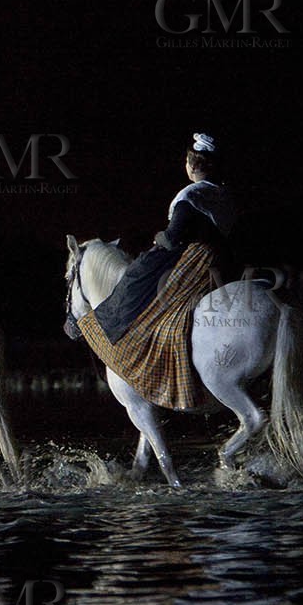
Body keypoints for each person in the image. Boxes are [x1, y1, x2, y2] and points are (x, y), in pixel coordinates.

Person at [77, 133, 236, 409]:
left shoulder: (191, 195)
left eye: (186, 161)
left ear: (192, 165)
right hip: (222, 260)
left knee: (137, 281)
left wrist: (158, 238)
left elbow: (173, 237)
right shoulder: (222, 194)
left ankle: (138, 356)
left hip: (196, 259)